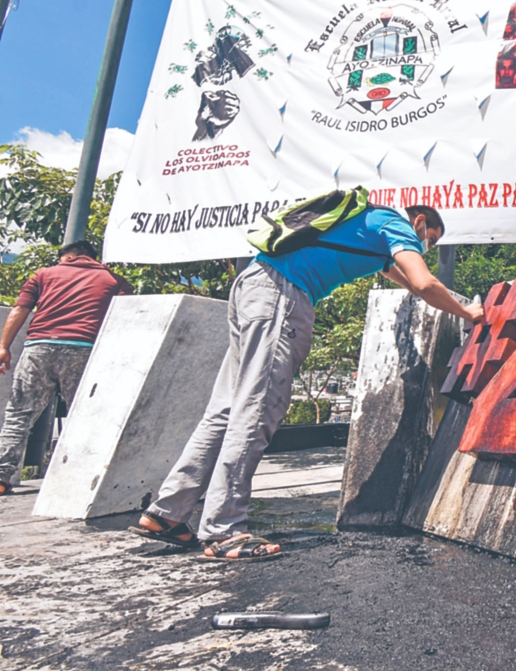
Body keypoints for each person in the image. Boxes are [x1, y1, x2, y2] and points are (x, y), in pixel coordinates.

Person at [131, 204, 484, 560]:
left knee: (225, 411)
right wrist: (470, 313)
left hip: (254, 286)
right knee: (257, 409)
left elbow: (408, 280)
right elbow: (425, 282)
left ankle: (167, 514)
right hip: (283, 296)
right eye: (429, 239)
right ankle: (224, 530)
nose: (424, 246)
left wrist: (440, 297)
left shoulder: (366, 227)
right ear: (420, 222)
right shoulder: (395, 223)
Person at [0, 241, 133, 493]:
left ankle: (1, 477)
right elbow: (124, 317)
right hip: (84, 350)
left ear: (70, 257)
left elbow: (20, 309)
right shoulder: (115, 281)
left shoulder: (43, 274)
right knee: (81, 418)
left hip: (38, 348)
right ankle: (74, 481)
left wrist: (3, 347)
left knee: (19, 415)